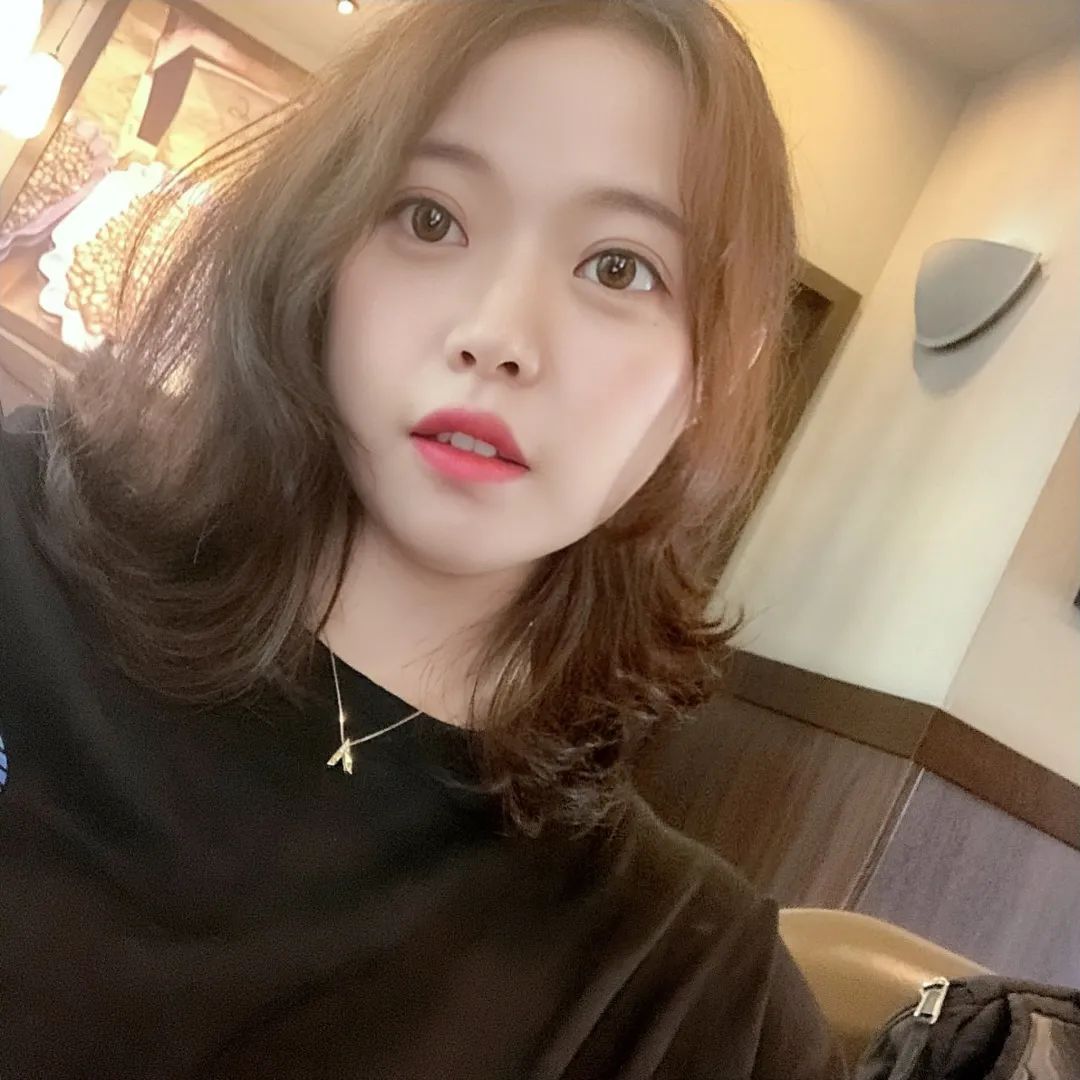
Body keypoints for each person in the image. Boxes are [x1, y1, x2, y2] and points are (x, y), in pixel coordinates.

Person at [0, 0, 847, 1076]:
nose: (496, 335)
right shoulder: (20, 542)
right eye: (430, 217)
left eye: (620, 267)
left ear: (716, 370)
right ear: (322, 241)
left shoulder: (685, 992)